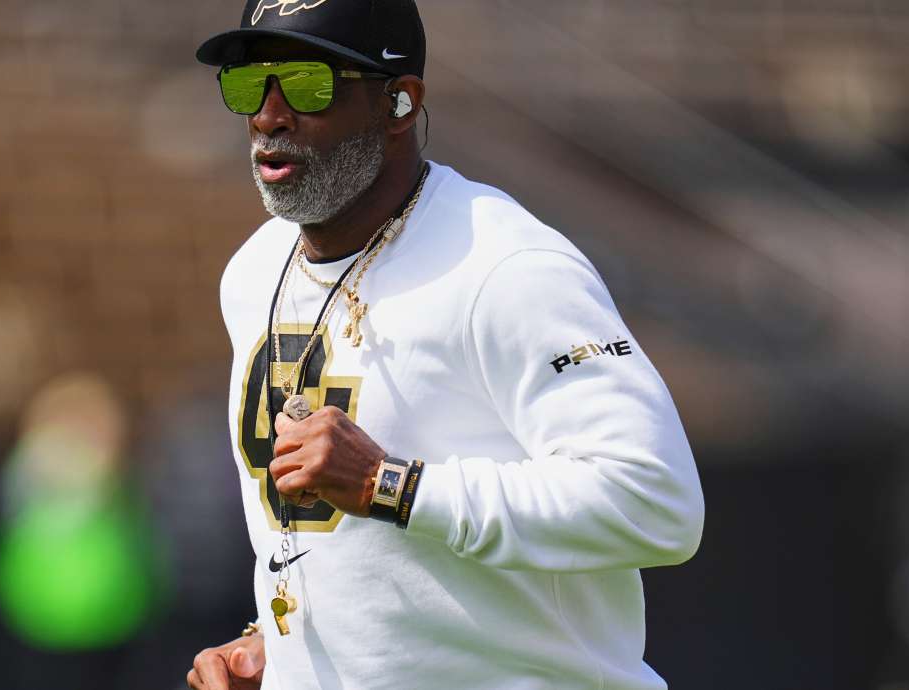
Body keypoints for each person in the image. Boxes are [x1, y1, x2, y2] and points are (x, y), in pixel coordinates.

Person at [188, 1, 705, 688]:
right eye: (250, 83)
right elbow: (334, 544)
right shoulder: (253, 274)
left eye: (308, 85)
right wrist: (279, 647)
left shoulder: (505, 266)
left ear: (399, 102)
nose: (268, 116)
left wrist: (390, 485)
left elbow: (658, 502)